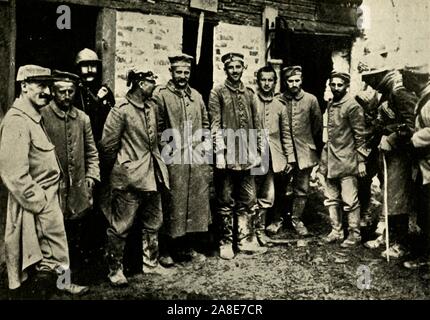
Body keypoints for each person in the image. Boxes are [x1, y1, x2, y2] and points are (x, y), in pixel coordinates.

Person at [0, 65, 88, 297]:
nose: (47, 92)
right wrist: (40, 203)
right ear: (24, 86)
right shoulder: (17, 121)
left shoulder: (33, 118)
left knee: (57, 251)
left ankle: (63, 284)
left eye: (49, 86)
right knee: (43, 262)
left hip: (48, 199)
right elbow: (13, 174)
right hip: (35, 204)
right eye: (41, 85)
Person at [99, 69, 174, 287]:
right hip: (129, 177)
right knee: (121, 226)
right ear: (141, 84)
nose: (154, 85)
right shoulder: (120, 110)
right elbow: (107, 146)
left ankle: (151, 264)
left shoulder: (152, 106)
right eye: (152, 82)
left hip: (152, 175)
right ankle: (115, 270)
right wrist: (119, 170)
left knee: (154, 221)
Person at [153, 53, 211, 266]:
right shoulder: (161, 96)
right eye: (179, 72)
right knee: (172, 204)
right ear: (171, 72)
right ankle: (165, 250)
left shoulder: (196, 96)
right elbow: (157, 128)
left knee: (192, 204)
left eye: (186, 72)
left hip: (195, 160)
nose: (183, 76)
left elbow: (205, 123)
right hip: (173, 160)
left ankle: (187, 248)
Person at [40, 70, 100, 276]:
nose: (66, 96)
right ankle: (55, 281)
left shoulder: (82, 118)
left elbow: (92, 152)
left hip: (77, 191)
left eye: (70, 92)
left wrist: (92, 176)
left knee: (74, 237)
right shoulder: (42, 116)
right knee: (51, 237)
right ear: (53, 92)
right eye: (61, 92)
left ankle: (69, 278)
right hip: (52, 190)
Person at [208, 52, 267, 259]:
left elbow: (258, 126)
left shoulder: (250, 94)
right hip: (227, 156)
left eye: (238, 67)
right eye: (231, 67)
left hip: (247, 156)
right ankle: (225, 243)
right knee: (225, 199)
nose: (235, 71)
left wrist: (260, 152)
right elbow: (215, 125)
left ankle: (245, 240)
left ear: (243, 68)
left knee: (249, 198)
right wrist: (220, 153)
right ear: (226, 69)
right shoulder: (217, 93)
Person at [361, 68, 416, 258]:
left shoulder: (399, 92)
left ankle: (400, 243)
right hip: (388, 153)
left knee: (397, 199)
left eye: (371, 79)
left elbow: (412, 125)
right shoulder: (385, 92)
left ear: (380, 75)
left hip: (400, 155)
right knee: (388, 195)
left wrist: (392, 137)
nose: (370, 84)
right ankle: (387, 236)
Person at [317, 71, 368, 248]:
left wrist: (361, 160)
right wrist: (323, 161)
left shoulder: (352, 106)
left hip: (347, 159)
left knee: (350, 200)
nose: (336, 88)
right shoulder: (331, 104)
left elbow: (361, 135)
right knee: (331, 197)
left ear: (346, 86)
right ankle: (336, 231)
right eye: (333, 84)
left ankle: (354, 234)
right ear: (329, 85)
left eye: (340, 85)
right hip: (331, 159)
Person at [275, 66, 323, 237]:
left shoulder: (311, 100)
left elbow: (317, 126)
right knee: (280, 186)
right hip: (283, 152)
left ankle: (297, 219)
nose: (294, 84)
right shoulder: (278, 100)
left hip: (304, 152)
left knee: (301, 188)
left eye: (297, 80)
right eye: (290, 81)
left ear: (301, 81)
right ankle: (278, 219)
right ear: (285, 82)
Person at [253, 65, 294, 246]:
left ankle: (260, 231)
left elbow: (285, 133)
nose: (267, 83)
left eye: (270, 80)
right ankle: (247, 233)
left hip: (272, 157)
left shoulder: (280, 106)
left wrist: (289, 157)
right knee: (249, 196)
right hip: (253, 155)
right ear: (258, 81)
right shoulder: (251, 101)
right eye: (263, 80)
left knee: (267, 195)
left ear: (275, 83)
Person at [400, 63, 430, 271]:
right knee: (423, 209)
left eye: (406, 76)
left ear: (417, 78)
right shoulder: (423, 96)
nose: (403, 81)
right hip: (424, 165)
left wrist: (413, 138)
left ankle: (427, 256)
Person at [74, 48, 115, 144]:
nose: (89, 70)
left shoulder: (106, 92)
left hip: (101, 141)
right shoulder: (74, 92)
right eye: (85, 66)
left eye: (93, 66)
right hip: (80, 140)